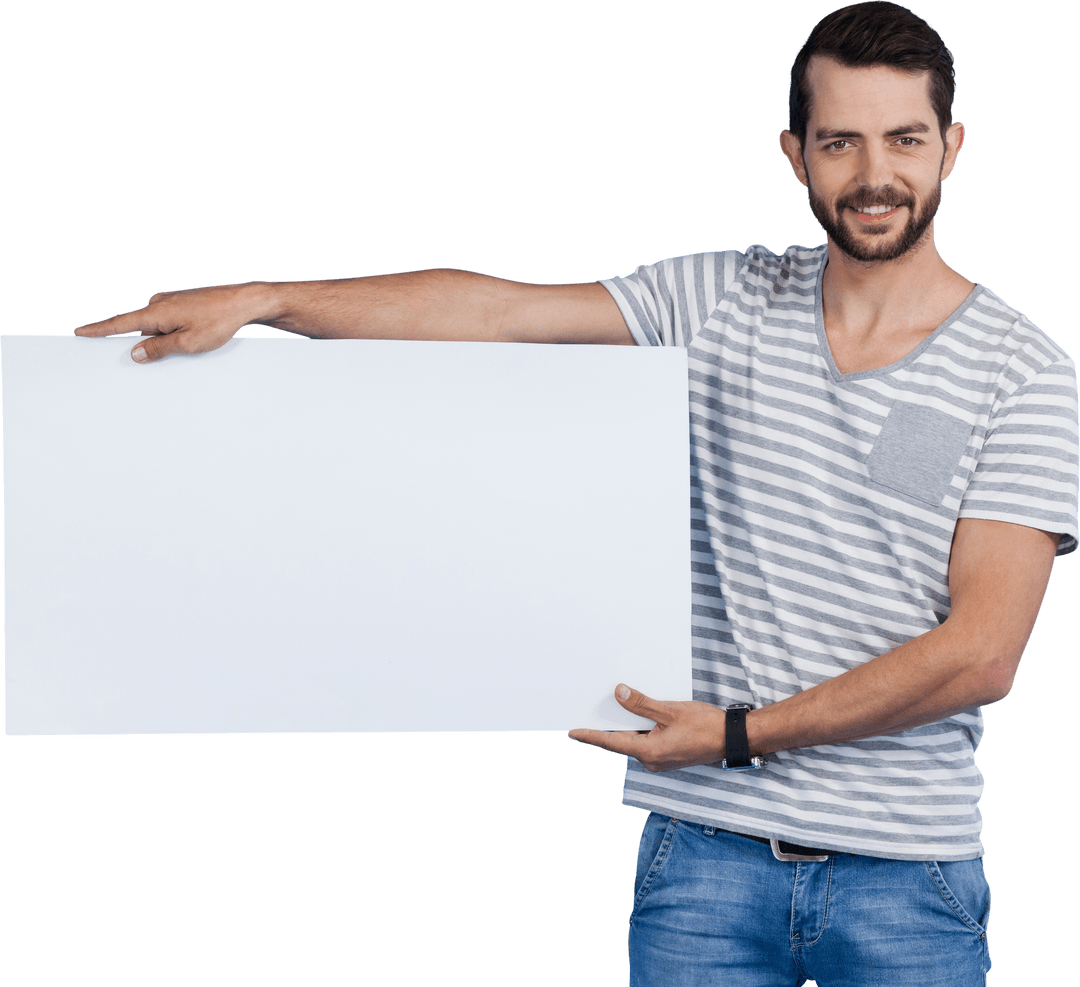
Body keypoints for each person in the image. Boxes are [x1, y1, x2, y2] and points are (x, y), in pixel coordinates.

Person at [75, 2, 1078, 983]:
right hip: (706, 865)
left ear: (950, 147)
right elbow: (500, 315)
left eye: (903, 139)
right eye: (839, 143)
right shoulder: (721, 300)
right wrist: (269, 300)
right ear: (794, 154)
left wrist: (737, 735)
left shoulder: (1023, 373)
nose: (874, 177)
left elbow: (980, 654)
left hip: (908, 878)